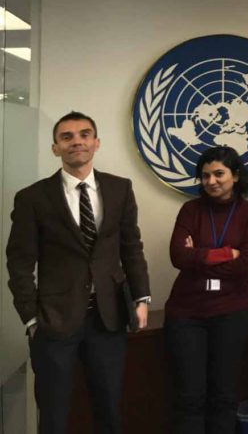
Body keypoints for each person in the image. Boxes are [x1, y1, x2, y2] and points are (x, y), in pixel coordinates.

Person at [6, 111, 151, 434]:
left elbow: (131, 247)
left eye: (84, 135)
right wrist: (31, 318)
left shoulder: (120, 189)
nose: (77, 142)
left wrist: (141, 297)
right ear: (55, 148)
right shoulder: (33, 197)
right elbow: (19, 261)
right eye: (67, 137)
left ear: (96, 143)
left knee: (109, 409)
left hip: (108, 318)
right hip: (54, 322)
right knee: (55, 414)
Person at [164, 146, 248, 434]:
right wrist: (225, 254)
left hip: (231, 312)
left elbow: (247, 263)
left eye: (219, 174)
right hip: (186, 314)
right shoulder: (190, 210)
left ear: (235, 176)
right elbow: (178, 257)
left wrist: (200, 254)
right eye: (205, 175)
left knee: (224, 395)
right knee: (189, 396)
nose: (211, 181)